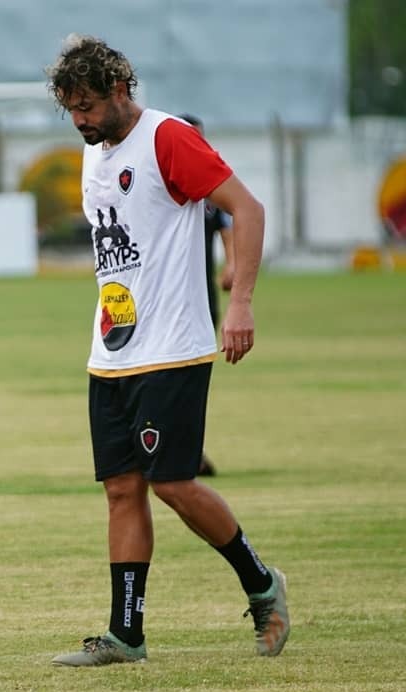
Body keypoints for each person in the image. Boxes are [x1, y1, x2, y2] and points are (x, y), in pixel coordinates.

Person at [45, 35, 289, 666]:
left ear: (121, 89)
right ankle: (126, 636)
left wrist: (240, 303)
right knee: (122, 490)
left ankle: (263, 584)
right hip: (112, 349)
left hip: (173, 346)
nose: (80, 120)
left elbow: (247, 207)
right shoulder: (95, 153)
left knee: (173, 483)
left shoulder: (167, 137)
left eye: (88, 104)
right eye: (71, 108)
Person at [178, 113, 236, 478]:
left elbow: (228, 223)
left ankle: (188, 449)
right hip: (162, 296)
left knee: (190, 375)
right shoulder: (159, 177)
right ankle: (181, 450)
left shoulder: (210, 185)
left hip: (200, 296)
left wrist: (232, 264)